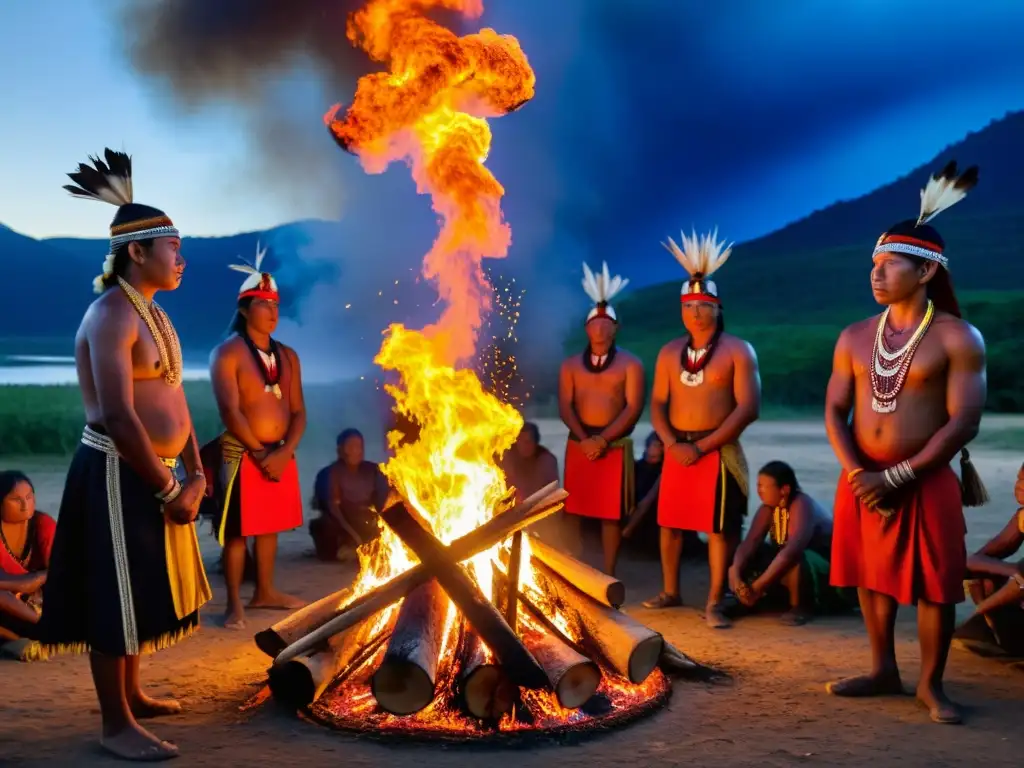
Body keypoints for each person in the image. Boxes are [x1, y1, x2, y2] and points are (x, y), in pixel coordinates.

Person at [36, 149, 213, 760]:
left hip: (153, 472)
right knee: (114, 594)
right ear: (138, 252)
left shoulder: (153, 314)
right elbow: (117, 414)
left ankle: (132, 695)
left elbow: (173, 395)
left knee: (138, 588)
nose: (181, 258)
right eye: (173, 248)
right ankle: (115, 725)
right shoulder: (110, 313)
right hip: (115, 469)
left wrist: (194, 465)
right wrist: (169, 489)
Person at [824, 162, 987, 724]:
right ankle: (882, 669)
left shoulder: (957, 337)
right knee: (871, 576)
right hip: (862, 480)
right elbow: (835, 411)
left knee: (936, 586)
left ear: (923, 273)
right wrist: (857, 474)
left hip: (923, 477)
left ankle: (931, 685)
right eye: (874, 263)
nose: (876, 273)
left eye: (889, 264)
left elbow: (963, 419)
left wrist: (896, 477)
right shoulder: (853, 336)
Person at [645, 229, 760, 629]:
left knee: (719, 529)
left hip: (717, 451)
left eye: (703, 305)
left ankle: (715, 600)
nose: (696, 312)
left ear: (717, 307)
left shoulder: (738, 350)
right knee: (670, 523)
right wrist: (672, 442)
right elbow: (657, 404)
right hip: (678, 449)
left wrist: (705, 445)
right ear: (681, 309)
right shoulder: (667, 353)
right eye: (689, 304)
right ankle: (670, 590)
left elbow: (748, 408)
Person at [208, 242, 307, 630]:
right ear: (245, 308)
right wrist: (258, 452)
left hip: (280, 452)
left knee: (269, 526)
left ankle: (264, 591)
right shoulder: (226, 353)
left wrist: (284, 452)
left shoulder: (289, 356)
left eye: (276, 305)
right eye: (263, 304)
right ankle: (234, 603)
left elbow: (298, 410)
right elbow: (230, 411)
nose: (272, 312)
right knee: (237, 531)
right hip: (242, 451)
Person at [559, 262, 645, 576]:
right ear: (586, 328)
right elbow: (565, 407)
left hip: (614, 443)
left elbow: (633, 407)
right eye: (595, 323)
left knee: (611, 514)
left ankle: (609, 571)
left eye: (607, 322)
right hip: (579, 443)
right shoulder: (570, 365)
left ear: (616, 328)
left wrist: (603, 440)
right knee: (574, 509)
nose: (601, 328)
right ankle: (573, 568)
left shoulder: (631, 364)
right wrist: (584, 440)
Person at [729, 461, 844, 625]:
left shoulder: (802, 504)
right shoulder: (768, 508)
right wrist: (735, 571)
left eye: (764, 486)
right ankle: (749, 599)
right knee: (756, 551)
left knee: (796, 557)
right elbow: (750, 542)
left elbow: (792, 551)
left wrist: (758, 586)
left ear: (784, 490)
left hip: (824, 568)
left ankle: (800, 607)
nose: (759, 491)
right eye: (758, 485)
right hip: (791, 563)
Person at [953, 462, 1024, 657]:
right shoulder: (1021, 519)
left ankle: (978, 619)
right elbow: (973, 561)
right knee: (981, 575)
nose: (1019, 485)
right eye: (1019, 479)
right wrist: (1012, 570)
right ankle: (991, 628)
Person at [309, 429, 388, 562]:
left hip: (363, 520)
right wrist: (354, 536)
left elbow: (383, 502)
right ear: (340, 450)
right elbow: (332, 509)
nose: (355, 451)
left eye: (359, 447)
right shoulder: (329, 473)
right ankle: (342, 547)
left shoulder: (373, 471)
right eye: (350, 446)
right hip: (338, 522)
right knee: (326, 527)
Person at [0, 471, 55, 659]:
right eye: (15, 499)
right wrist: (28, 582)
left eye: (29, 497)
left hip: (40, 600)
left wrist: (38, 579)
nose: (25, 505)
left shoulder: (42, 523)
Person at [501, 422, 561, 544]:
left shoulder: (546, 460)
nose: (525, 445)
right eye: (521, 441)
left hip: (540, 514)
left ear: (535, 442)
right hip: (511, 516)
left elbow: (553, 494)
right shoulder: (508, 459)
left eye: (529, 441)